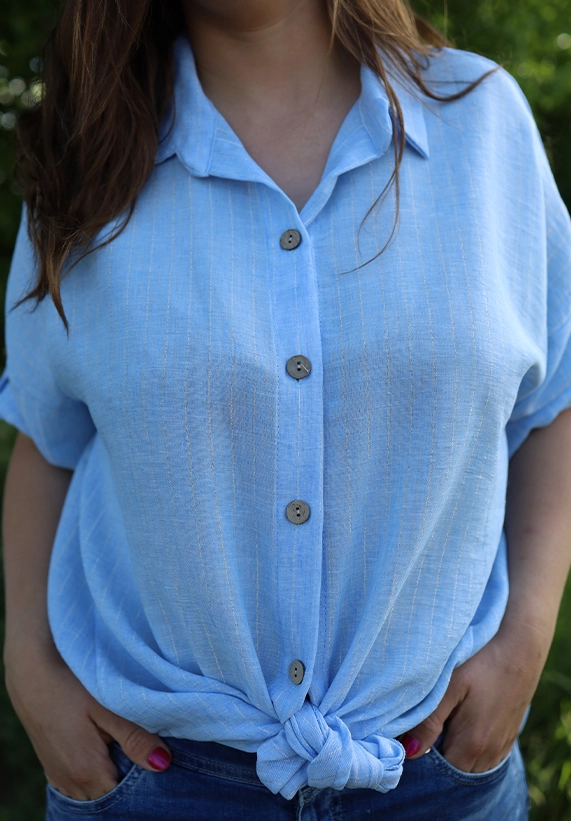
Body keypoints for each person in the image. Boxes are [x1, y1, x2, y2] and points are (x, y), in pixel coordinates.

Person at [1, 0, 571, 818]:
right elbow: (48, 440)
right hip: (153, 781)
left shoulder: (480, 122)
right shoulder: (84, 160)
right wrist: (29, 664)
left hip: (438, 774)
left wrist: (524, 641)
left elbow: (552, 401)